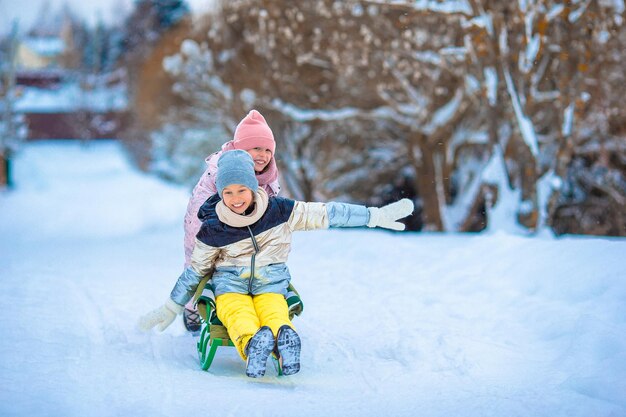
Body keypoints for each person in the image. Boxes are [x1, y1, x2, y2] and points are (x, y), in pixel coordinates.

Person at [138, 150, 414, 378]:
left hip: (271, 283)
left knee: (274, 312)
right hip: (230, 286)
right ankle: (252, 346)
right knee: (238, 314)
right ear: (220, 193)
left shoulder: (279, 211)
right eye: (228, 192)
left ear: (253, 186)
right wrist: (172, 306)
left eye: (242, 190)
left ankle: (285, 344)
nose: (235, 199)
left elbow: (326, 213)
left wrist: (371, 215)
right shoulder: (213, 227)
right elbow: (196, 271)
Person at [182, 109, 281, 331]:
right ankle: (191, 307)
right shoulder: (222, 172)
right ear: (241, 148)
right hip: (205, 229)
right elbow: (202, 206)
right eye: (256, 148)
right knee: (200, 270)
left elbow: (272, 203)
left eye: (267, 150)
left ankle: (250, 309)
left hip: (246, 231)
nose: (263, 155)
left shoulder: (268, 175)